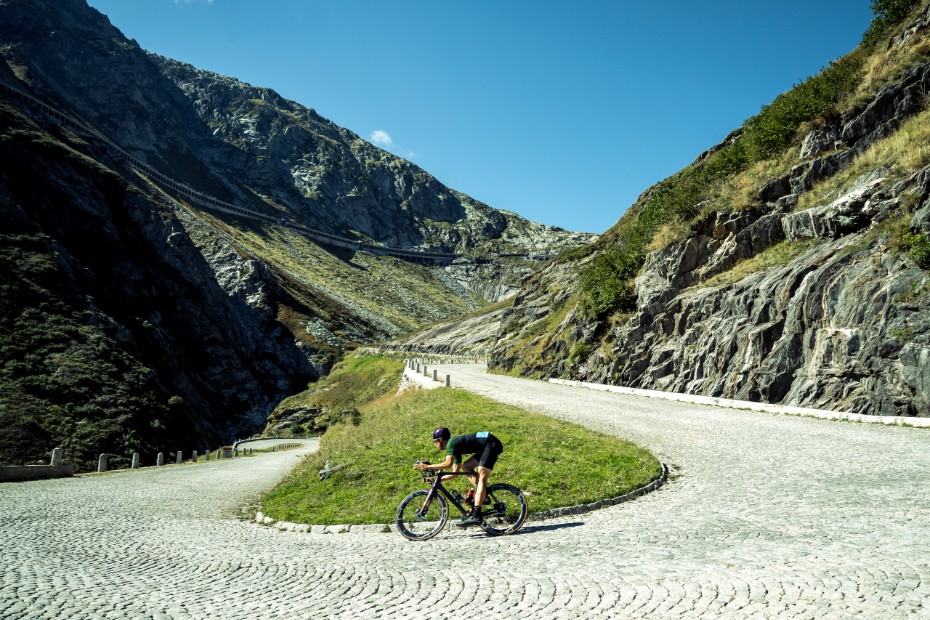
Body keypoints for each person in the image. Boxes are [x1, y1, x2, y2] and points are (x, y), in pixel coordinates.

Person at [414, 428, 504, 527]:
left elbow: (448, 464)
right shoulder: (455, 447)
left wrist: (427, 467)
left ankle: (477, 515)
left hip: (491, 444)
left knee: (481, 475)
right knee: (466, 467)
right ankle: (483, 496)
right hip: (487, 445)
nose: (435, 445)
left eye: (435, 442)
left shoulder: (451, 443)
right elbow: (454, 473)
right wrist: (437, 480)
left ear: (440, 440)